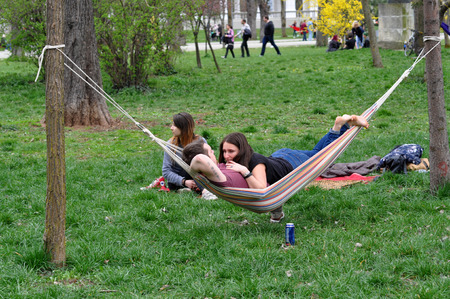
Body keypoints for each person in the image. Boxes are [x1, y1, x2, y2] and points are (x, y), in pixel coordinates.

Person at [183, 114, 369, 222]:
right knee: (316, 153)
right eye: (223, 151)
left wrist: (244, 172)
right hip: (280, 156)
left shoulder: (253, 161)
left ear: (242, 150)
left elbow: (265, 191)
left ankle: (339, 127)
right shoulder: (231, 163)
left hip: (291, 164)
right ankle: (337, 127)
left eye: (231, 151)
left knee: (321, 159)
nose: (225, 155)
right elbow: (274, 191)